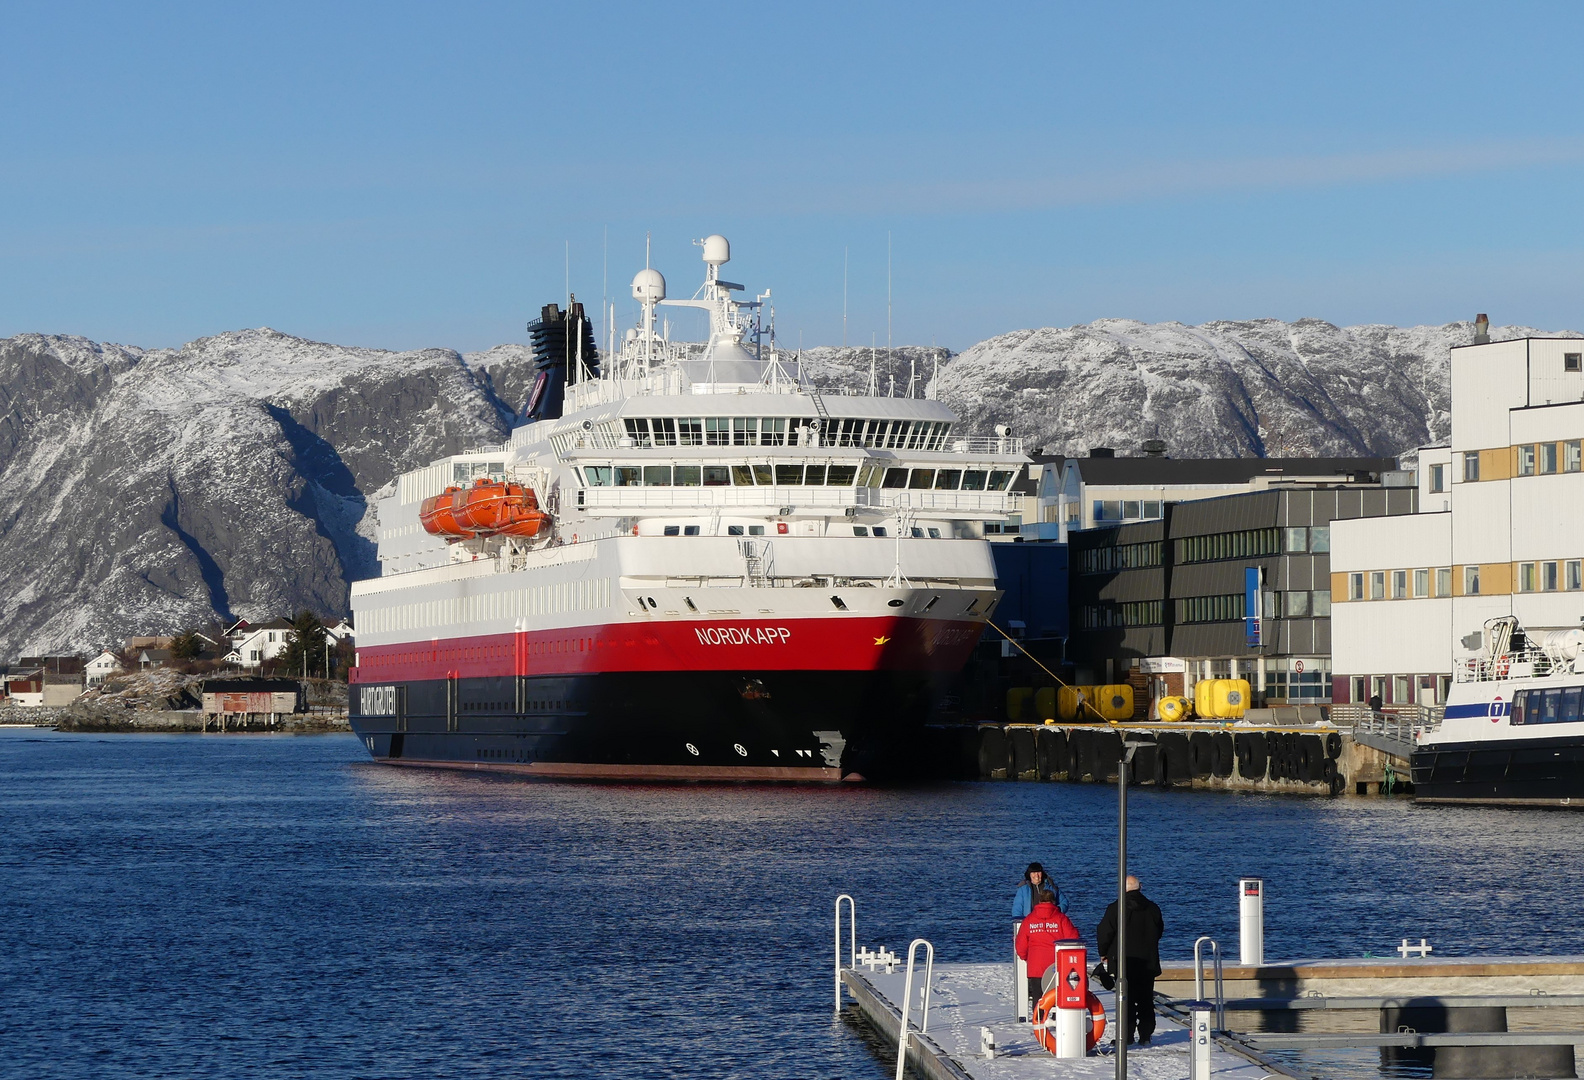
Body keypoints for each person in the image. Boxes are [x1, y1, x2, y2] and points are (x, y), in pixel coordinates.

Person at [1096, 874, 1165, 1046]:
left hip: (1123, 963)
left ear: (1122, 888)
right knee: (1146, 999)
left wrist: (1103, 952)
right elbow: (1159, 932)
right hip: (1147, 963)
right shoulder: (1153, 908)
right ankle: (1146, 1035)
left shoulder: (1115, 908)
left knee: (1124, 999)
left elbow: (1104, 932)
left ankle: (1126, 1035)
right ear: (1140, 887)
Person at [1014, 887, 1080, 1016]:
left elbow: (1020, 945)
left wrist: (1026, 957)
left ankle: (1038, 1023)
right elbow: (1074, 939)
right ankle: (1057, 1019)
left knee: (1038, 997)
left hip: (1036, 965)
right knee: (1057, 994)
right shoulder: (1061, 919)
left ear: (1039, 901)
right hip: (1057, 966)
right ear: (1053, 901)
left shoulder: (1029, 920)